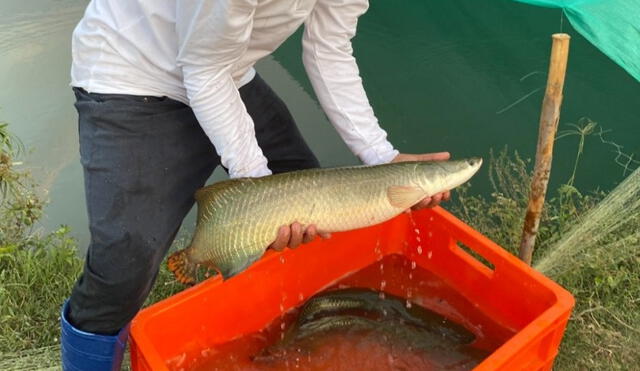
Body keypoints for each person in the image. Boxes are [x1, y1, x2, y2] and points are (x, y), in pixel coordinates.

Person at [60, 0, 451, 369]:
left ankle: (281, 337)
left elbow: (328, 47)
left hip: (226, 70)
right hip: (133, 74)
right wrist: (261, 191)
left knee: (309, 202)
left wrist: (381, 155)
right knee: (123, 266)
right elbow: (202, 69)